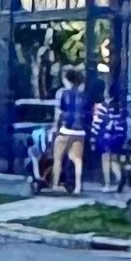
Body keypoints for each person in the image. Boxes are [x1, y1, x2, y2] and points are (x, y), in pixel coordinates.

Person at [49, 66, 87, 195]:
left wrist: (55, 128)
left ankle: (55, 184)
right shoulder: (82, 94)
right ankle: (78, 186)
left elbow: (58, 112)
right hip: (80, 131)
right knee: (77, 160)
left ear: (66, 79)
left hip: (65, 129)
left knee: (58, 158)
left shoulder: (62, 93)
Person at [89, 79, 128, 192]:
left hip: (104, 137)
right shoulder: (121, 108)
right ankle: (120, 177)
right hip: (118, 138)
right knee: (114, 160)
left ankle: (107, 184)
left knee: (105, 160)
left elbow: (96, 123)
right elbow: (123, 124)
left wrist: (92, 138)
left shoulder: (101, 106)